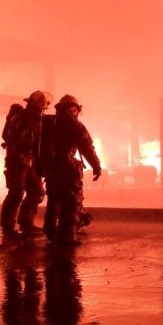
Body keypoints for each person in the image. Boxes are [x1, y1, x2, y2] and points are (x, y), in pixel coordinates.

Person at [41, 95, 101, 244]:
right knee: (72, 202)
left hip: (50, 168)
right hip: (67, 169)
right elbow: (87, 147)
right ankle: (67, 236)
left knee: (54, 200)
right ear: (75, 109)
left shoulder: (48, 123)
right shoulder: (75, 125)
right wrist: (96, 166)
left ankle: (50, 231)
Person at [0, 90, 51, 239]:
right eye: (38, 108)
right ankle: (7, 227)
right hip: (17, 161)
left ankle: (26, 223)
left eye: (41, 109)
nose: (40, 111)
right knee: (16, 193)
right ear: (30, 105)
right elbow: (9, 137)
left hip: (31, 162)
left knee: (37, 192)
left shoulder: (39, 121)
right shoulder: (19, 118)